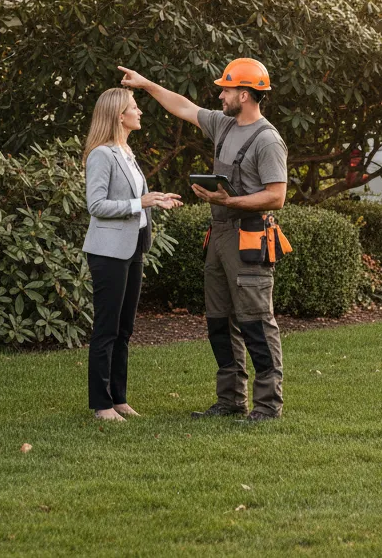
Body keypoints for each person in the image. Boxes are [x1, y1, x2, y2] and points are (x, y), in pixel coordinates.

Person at [119, 59, 288, 422]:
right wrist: (146, 83)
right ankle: (230, 400)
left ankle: (268, 405)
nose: (220, 94)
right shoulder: (223, 124)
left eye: (226, 89)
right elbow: (184, 106)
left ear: (244, 94)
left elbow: (276, 196)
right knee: (218, 321)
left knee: (256, 322)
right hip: (220, 235)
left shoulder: (268, 139)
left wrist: (228, 201)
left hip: (250, 236)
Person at [83, 87, 182, 422]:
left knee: (125, 329)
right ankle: (101, 405)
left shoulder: (127, 152)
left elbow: (137, 199)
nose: (139, 112)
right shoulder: (102, 154)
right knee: (107, 328)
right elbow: (95, 206)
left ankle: (119, 399)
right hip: (108, 252)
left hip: (134, 247)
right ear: (118, 115)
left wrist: (156, 200)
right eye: (134, 107)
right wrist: (140, 202)